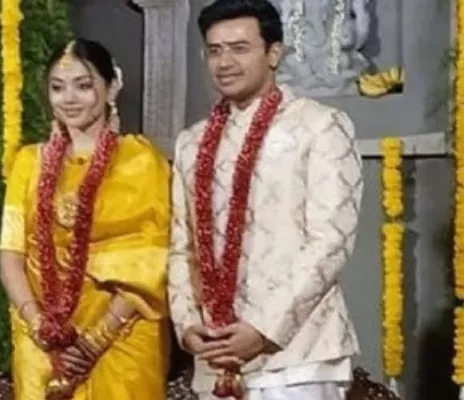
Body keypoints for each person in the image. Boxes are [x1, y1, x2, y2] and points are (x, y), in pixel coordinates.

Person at [167, 0, 364, 399]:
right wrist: (188, 326)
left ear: (274, 53)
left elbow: (331, 241)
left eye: (239, 48)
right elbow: (181, 245)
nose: (225, 62)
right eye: (215, 50)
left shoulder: (319, 126)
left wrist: (263, 328)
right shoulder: (192, 142)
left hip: (299, 356)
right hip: (215, 358)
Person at [0, 38, 170, 400]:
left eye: (83, 85)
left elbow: (151, 260)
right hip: (42, 340)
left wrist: (97, 338)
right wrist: (37, 322)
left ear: (112, 87)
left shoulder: (140, 160)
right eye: (57, 87)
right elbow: (10, 253)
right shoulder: (28, 162)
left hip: (122, 332)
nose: (69, 98)